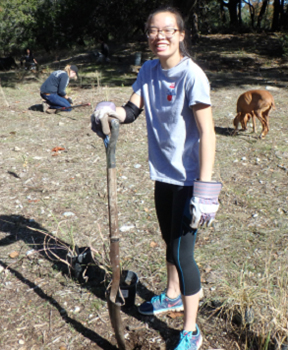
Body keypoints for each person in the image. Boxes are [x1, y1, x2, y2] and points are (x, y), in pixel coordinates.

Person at [91, 7, 221, 350]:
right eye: (152, 30)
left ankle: (191, 331)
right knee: (169, 241)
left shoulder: (192, 76)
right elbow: (131, 110)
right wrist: (108, 110)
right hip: (163, 173)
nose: (159, 36)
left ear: (180, 35)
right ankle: (173, 294)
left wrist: (205, 192)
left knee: (183, 253)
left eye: (167, 31)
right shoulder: (148, 70)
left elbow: (208, 133)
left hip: (190, 178)